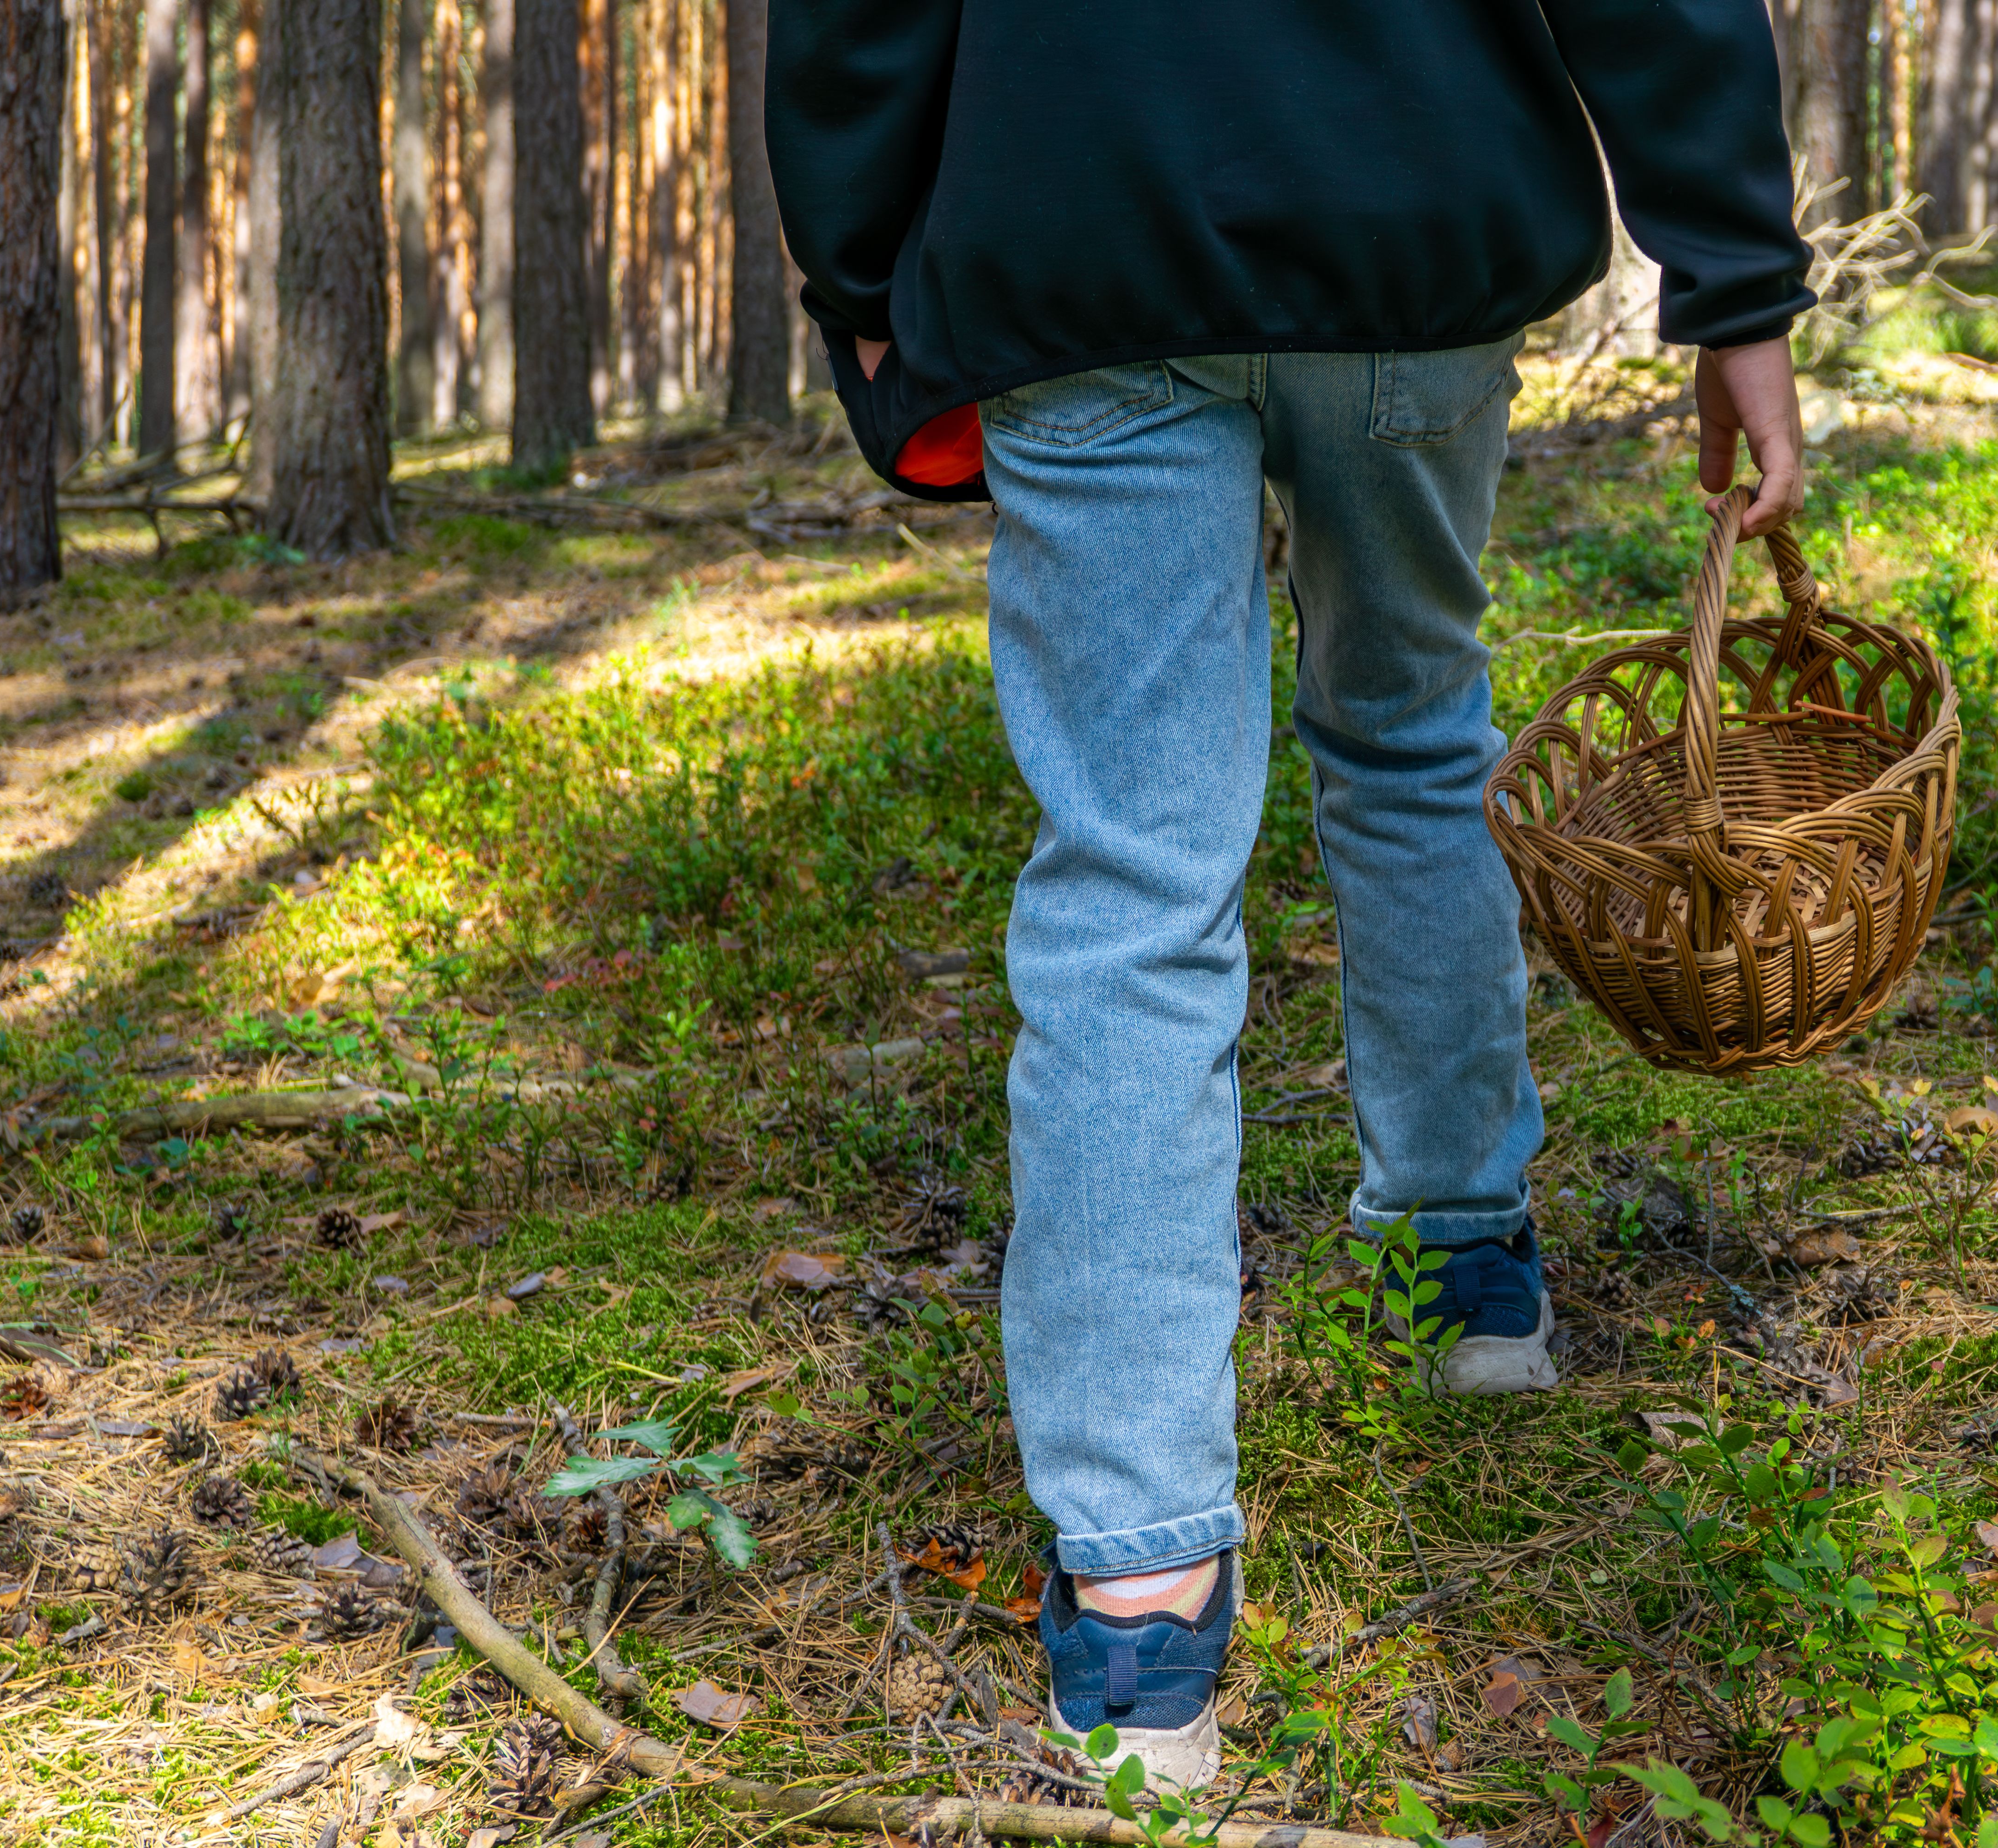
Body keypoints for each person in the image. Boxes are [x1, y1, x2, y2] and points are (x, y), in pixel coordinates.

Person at [768, 1, 1814, 1793]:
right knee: (1412, 737)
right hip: (1410, 199)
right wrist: (1739, 287)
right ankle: (1462, 1269)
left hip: (1083, 222)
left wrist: (859, 261)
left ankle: (1141, 1603)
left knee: (1132, 880)